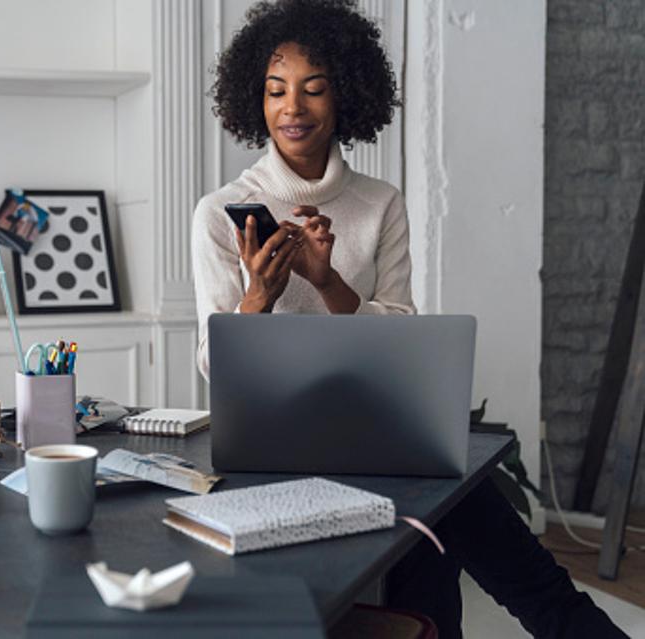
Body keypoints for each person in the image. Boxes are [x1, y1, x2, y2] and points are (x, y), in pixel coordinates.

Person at [190, 1, 627, 637]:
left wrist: (327, 280)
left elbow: (399, 328)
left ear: (345, 97)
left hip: (381, 431)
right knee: (440, 531)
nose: (293, 108)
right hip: (273, 447)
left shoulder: (378, 203)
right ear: (253, 99)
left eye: (314, 89)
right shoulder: (221, 212)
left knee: (477, 542)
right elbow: (214, 362)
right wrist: (259, 293)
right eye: (276, 90)